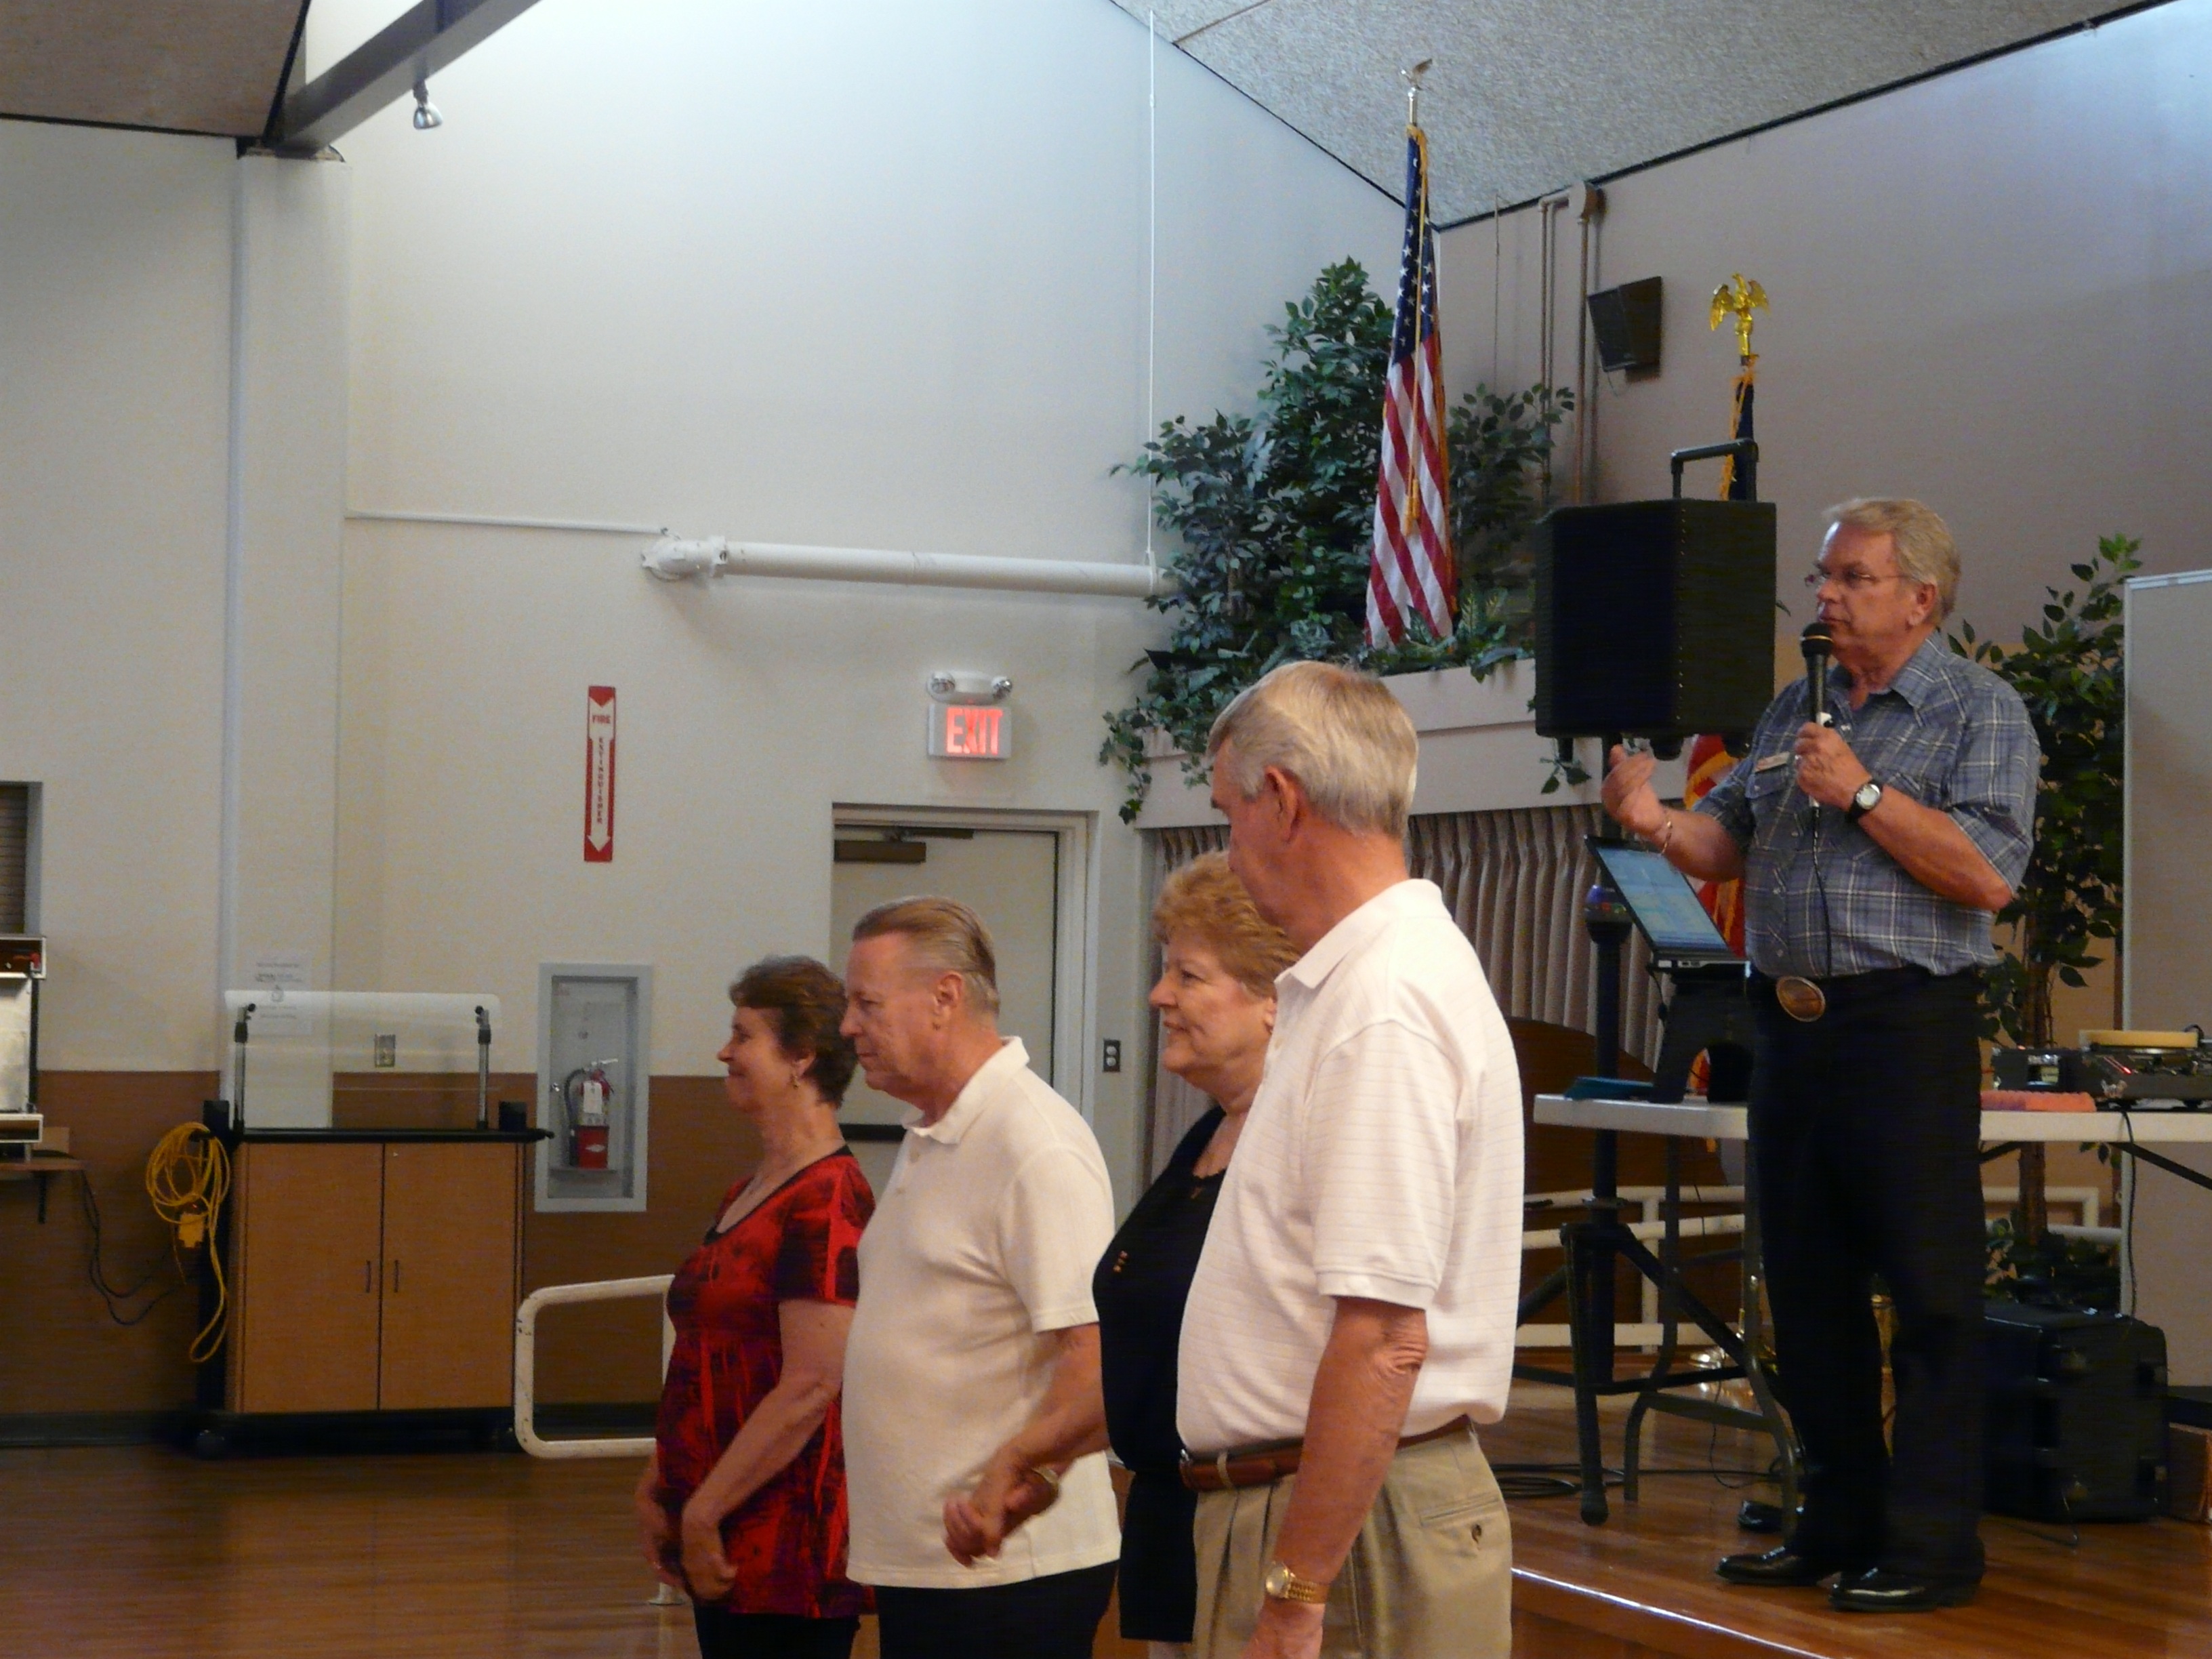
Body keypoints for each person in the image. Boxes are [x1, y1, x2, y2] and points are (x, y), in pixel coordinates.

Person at [1602, 497, 2036, 1613]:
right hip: (1783, 1027)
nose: (1824, 596)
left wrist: (1864, 791)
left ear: (1917, 597)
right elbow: (1723, 841)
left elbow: (1986, 874)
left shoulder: (1973, 711)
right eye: (1821, 575)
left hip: (1901, 1024)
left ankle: (1932, 1542)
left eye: (1849, 577)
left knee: (1931, 1294)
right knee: (1804, 1292)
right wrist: (1650, 816)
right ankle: (1834, 1514)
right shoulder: (1795, 705)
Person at [1176, 660, 1525, 1659]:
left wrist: (1295, 1588)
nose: (1228, 847)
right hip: (1334, 1505)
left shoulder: (1382, 1005)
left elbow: (1383, 1340)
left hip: (1344, 1522)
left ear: (1280, 800)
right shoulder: (1366, 982)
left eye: (1226, 813)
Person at [836, 897, 1120, 1659]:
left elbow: (1094, 1358)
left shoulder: (1033, 1143)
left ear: (945, 997)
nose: (848, 1028)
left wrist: (1027, 1478)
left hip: (1009, 1572)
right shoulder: (934, 1133)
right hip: (938, 1564)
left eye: (866, 1004)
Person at [635, 955, 876, 1659]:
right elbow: (711, 1354)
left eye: (743, 1036)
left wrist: (705, 1511)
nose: (724, 1052)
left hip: (785, 1539)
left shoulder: (828, 1199)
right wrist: (661, 1482)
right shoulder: (749, 1188)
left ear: (801, 1059)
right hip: (725, 1515)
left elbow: (811, 1385)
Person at [1096, 853, 1299, 1658]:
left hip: (1255, 1525)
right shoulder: (1207, 1136)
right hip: (1173, 1517)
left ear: (1273, 1003)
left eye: (1188, 974)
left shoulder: (1288, 1141)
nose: (1159, 997)